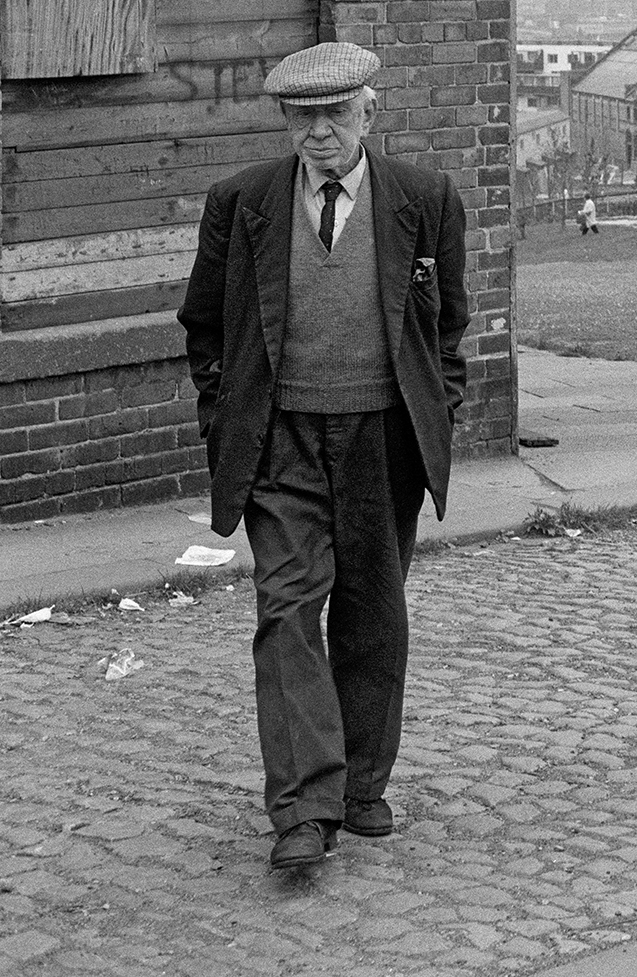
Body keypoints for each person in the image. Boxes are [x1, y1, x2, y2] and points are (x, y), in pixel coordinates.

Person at [179, 43, 469, 871]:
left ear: (368, 113)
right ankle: (305, 809)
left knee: (373, 611)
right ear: (286, 123)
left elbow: (445, 326)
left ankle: (361, 786)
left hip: (383, 439)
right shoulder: (240, 205)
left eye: (334, 116)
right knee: (286, 611)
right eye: (302, 119)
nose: (318, 135)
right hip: (281, 442)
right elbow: (204, 324)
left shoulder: (423, 197)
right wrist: (224, 417)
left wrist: (434, 412)